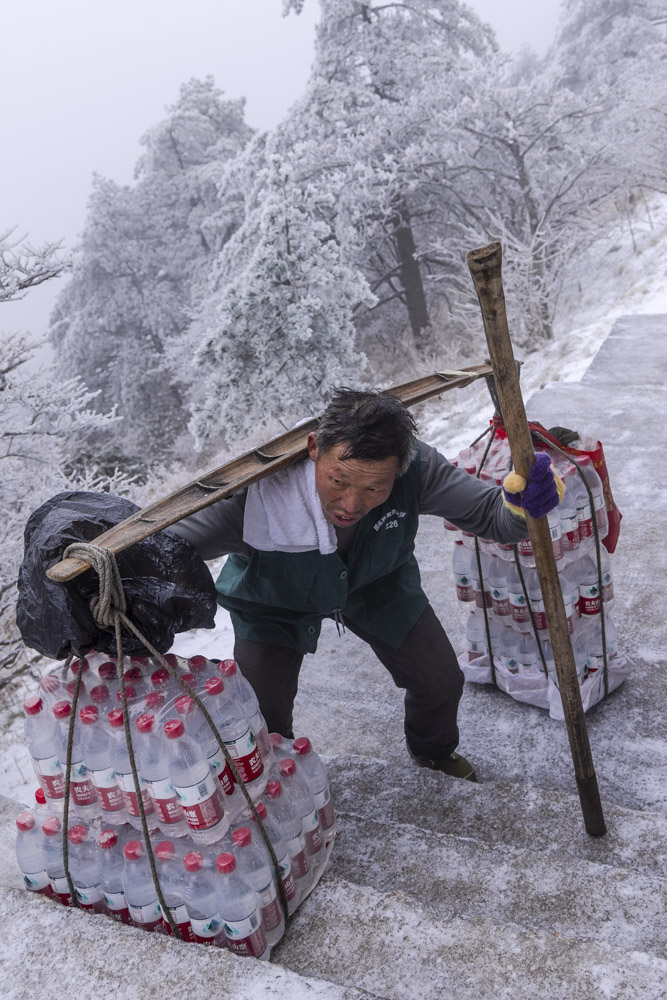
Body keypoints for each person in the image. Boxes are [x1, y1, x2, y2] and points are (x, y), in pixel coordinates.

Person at [171, 388, 561, 782]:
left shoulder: (418, 467)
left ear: (399, 471)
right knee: (261, 715)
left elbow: (491, 515)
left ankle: (432, 752)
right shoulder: (257, 494)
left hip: (379, 583)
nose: (351, 504)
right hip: (274, 599)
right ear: (313, 449)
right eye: (338, 480)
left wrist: (523, 505)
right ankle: (281, 784)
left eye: (375, 488)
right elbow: (169, 544)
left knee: (440, 680)